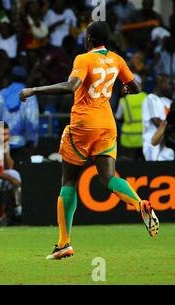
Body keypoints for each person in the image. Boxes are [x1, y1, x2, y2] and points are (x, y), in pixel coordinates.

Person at [19, 21, 159, 260]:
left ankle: (64, 243)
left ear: (91, 39)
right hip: (107, 124)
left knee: (69, 179)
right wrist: (126, 90)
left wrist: (34, 90)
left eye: (86, 35)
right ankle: (139, 204)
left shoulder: (84, 59)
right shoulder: (116, 59)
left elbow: (70, 86)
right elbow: (135, 86)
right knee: (108, 177)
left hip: (83, 125)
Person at [0, 66, 39, 165]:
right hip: (21, 144)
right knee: (20, 178)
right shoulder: (29, 96)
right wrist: (32, 140)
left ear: (11, 78)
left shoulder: (1, 95)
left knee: (2, 176)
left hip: (0, 144)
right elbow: (31, 120)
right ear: (25, 78)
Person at [142, 73, 174, 161]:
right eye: (169, 84)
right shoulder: (151, 98)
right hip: (153, 145)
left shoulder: (168, 101)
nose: (172, 87)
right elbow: (157, 122)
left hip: (166, 145)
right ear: (160, 84)